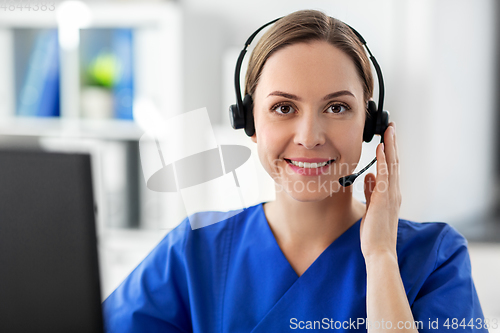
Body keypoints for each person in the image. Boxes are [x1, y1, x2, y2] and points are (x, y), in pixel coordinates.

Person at [102, 10, 488, 332]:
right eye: (284, 108)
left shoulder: (434, 259)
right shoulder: (194, 252)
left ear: (370, 124)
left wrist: (381, 255)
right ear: (249, 122)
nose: (309, 136)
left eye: (336, 108)